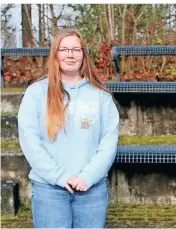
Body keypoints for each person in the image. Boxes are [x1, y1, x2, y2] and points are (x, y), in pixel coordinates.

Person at [18, 29, 119, 228]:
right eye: (63, 49)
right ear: (55, 54)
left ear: (84, 55)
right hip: (49, 191)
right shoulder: (36, 93)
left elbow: (109, 143)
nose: (70, 54)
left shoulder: (101, 96)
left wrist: (88, 176)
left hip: (91, 191)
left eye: (76, 49)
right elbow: (30, 141)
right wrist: (60, 176)